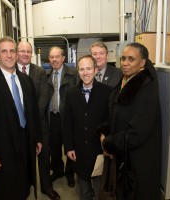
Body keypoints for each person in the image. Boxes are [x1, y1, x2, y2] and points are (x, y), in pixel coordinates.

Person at [0, 36, 42, 200]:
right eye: (4, 51)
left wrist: (36, 138)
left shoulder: (26, 81)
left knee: (24, 185)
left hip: (25, 143)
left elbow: (33, 113)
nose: (9, 55)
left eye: (12, 51)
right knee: (5, 190)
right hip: (2, 149)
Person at [99, 42, 162, 200]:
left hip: (138, 161)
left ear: (142, 63)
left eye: (131, 59)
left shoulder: (147, 88)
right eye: (123, 58)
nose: (125, 63)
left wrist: (110, 144)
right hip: (124, 155)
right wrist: (104, 132)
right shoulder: (126, 81)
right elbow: (117, 114)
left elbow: (137, 132)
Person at [17, 41, 60, 200]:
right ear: (17, 53)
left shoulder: (40, 72)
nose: (26, 54)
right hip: (19, 125)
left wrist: (32, 118)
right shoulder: (11, 71)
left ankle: (46, 187)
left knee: (44, 156)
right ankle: (25, 186)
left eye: (28, 51)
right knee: (23, 157)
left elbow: (44, 97)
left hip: (40, 122)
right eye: (22, 51)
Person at [64, 55, 112, 200]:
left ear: (96, 70)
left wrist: (108, 144)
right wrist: (69, 147)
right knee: (83, 189)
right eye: (82, 69)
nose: (85, 73)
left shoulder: (107, 92)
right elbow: (68, 123)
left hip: (99, 149)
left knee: (99, 189)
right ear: (78, 72)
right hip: (79, 150)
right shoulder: (71, 93)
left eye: (89, 68)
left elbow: (111, 120)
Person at [47, 46, 77, 188]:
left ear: (63, 58)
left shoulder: (74, 74)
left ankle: (70, 173)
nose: (54, 60)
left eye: (57, 56)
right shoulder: (46, 75)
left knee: (70, 145)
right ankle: (58, 170)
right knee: (54, 147)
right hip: (53, 117)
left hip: (68, 117)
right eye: (52, 57)